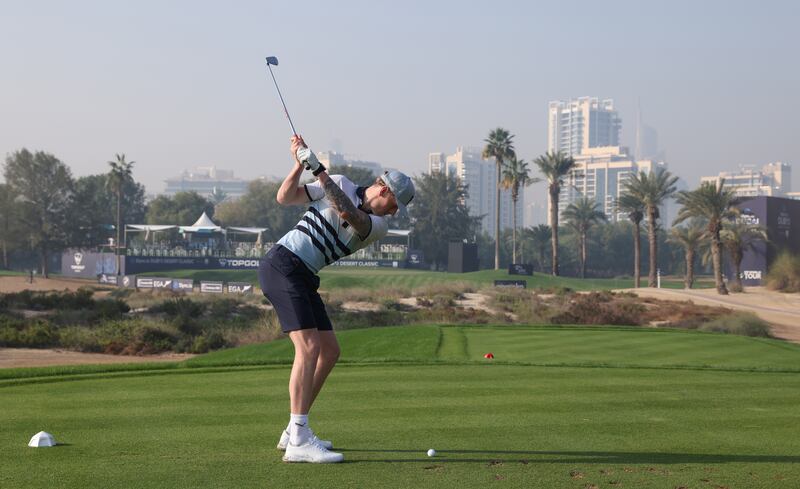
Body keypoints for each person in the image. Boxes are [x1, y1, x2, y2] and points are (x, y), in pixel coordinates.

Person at [259, 135, 415, 463]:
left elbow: (348, 213)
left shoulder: (378, 226)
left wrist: (318, 170)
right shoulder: (340, 180)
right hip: (283, 263)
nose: (396, 211)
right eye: (396, 203)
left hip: (304, 276)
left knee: (329, 351)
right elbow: (284, 197)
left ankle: (293, 430)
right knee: (309, 348)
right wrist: (299, 164)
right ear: (384, 190)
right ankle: (299, 438)